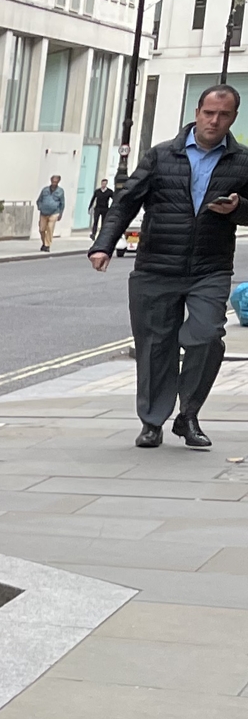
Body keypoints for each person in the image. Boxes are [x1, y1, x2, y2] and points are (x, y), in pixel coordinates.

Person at [90, 84, 248, 449]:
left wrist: (239, 208)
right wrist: (103, 245)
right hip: (156, 267)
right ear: (196, 112)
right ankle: (152, 421)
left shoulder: (242, 162)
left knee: (207, 336)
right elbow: (125, 202)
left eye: (223, 115)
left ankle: (188, 415)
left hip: (210, 266)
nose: (214, 120)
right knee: (155, 345)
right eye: (209, 112)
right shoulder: (161, 156)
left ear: (234, 118)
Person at [36, 174, 66, 251]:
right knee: (42, 229)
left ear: (58, 182)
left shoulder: (60, 191)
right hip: (43, 212)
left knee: (50, 228)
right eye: (53, 181)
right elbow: (39, 200)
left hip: (54, 212)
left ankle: (47, 245)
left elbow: (62, 203)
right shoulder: (45, 190)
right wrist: (40, 207)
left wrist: (60, 213)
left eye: (56, 182)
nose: (54, 183)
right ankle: (44, 242)